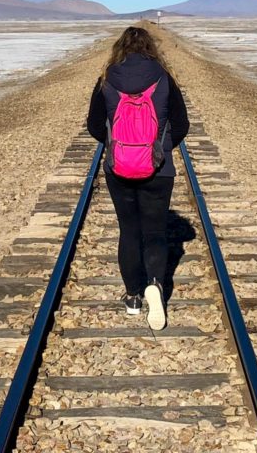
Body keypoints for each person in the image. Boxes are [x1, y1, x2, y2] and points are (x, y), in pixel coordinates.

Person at [86, 25, 189, 330]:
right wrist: (158, 150)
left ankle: (132, 298)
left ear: (120, 49)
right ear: (150, 49)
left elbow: (93, 126)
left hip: (119, 168)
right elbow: (182, 125)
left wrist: (119, 147)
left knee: (129, 230)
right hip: (159, 170)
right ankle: (155, 285)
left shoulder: (106, 79)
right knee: (155, 232)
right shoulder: (163, 78)